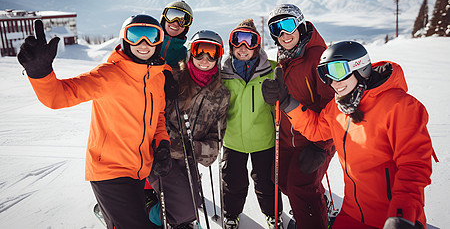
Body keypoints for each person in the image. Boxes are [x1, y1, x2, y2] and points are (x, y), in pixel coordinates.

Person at [17, 15, 175, 229]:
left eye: (151, 36)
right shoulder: (109, 74)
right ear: (124, 39)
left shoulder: (157, 78)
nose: (144, 44)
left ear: (160, 40)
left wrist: (162, 144)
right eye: (136, 35)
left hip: (139, 171)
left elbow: (158, 117)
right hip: (109, 171)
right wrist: (40, 73)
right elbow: (59, 96)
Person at [262, 41, 434, 229]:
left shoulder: (400, 106)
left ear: (360, 67)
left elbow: (414, 166)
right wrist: (288, 102)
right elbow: (316, 129)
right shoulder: (339, 108)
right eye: (325, 74)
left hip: (392, 219)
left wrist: (402, 215)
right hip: (352, 213)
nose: (333, 82)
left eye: (337, 70)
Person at [148, 30, 230, 228]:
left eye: (212, 52)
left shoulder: (220, 94)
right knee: (186, 210)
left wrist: (192, 149)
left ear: (219, 56)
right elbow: (152, 115)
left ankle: (172, 217)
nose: (205, 58)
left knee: (194, 205)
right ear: (191, 52)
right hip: (162, 154)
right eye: (199, 50)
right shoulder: (173, 78)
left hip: (189, 159)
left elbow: (215, 142)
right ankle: (142, 209)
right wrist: (172, 146)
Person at [266, 3, 336, 229]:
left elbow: (333, 105)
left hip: (315, 139)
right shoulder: (285, 54)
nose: (284, 34)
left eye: (288, 25)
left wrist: (322, 146)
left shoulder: (318, 57)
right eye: (276, 29)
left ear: (301, 24)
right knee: (281, 181)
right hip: (289, 138)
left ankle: (313, 219)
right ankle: (316, 202)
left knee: (300, 187)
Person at [221, 18, 282, 229]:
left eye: (250, 40)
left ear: (257, 44)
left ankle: (274, 214)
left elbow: (282, 104)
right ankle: (231, 214)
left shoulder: (272, 70)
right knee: (232, 182)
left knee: (267, 182)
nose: (243, 47)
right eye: (238, 40)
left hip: (263, 139)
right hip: (233, 140)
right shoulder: (223, 74)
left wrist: (279, 99)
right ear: (231, 45)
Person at [159, 0, 194, 68]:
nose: (175, 23)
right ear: (164, 19)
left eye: (182, 21)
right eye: (171, 17)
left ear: (186, 27)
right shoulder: (149, 45)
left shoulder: (185, 55)